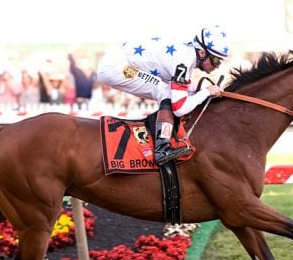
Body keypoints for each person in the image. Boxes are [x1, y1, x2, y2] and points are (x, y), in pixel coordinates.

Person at [97, 25, 229, 165]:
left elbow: (182, 86)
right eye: (216, 60)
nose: (218, 65)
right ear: (202, 53)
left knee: (166, 89)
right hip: (116, 67)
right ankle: (162, 149)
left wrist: (202, 88)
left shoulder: (187, 54)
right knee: (164, 92)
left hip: (119, 62)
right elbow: (179, 109)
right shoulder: (184, 61)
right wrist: (206, 92)